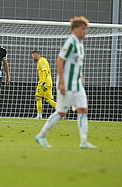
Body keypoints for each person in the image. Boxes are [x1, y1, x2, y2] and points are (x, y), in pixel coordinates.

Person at [35, 16, 96, 149]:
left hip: (77, 84)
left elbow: (75, 63)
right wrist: (62, 83)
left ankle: (84, 141)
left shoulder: (80, 44)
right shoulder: (70, 42)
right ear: (74, 29)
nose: (85, 32)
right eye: (82, 29)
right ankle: (41, 135)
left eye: (86, 29)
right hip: (67, 84)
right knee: (61, 112)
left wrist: (81, 75)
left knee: (83, 110)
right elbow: (60, 60)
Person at [31, 51, 57, 119]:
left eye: (33, 56)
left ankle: (39, 116)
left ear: (36, 55)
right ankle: (61, 110)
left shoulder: (41, 61)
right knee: (48, 99)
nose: (32, 58)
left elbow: (44, 71)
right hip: (49, 81)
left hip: (44, 82)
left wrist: (43, 82)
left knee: (38, 97)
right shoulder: (44, 60)